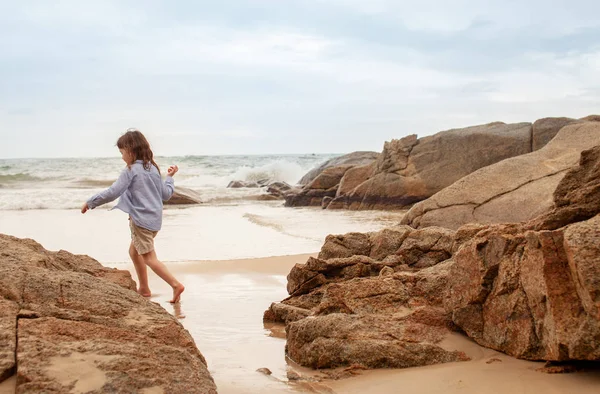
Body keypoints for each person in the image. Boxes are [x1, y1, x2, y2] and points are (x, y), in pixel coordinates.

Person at [81, 128, 185, 303]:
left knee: (150, 258)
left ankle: (175, 285)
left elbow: (113, 192)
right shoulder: (152, 168)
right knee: (134, 251)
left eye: (122, 152)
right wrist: (170, 177)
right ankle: (144, 289)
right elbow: (166, 194)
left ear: (131, 150)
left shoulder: (131, 170)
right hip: (154, 220)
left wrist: (91, 202)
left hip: (140, 221)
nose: (122, 157)